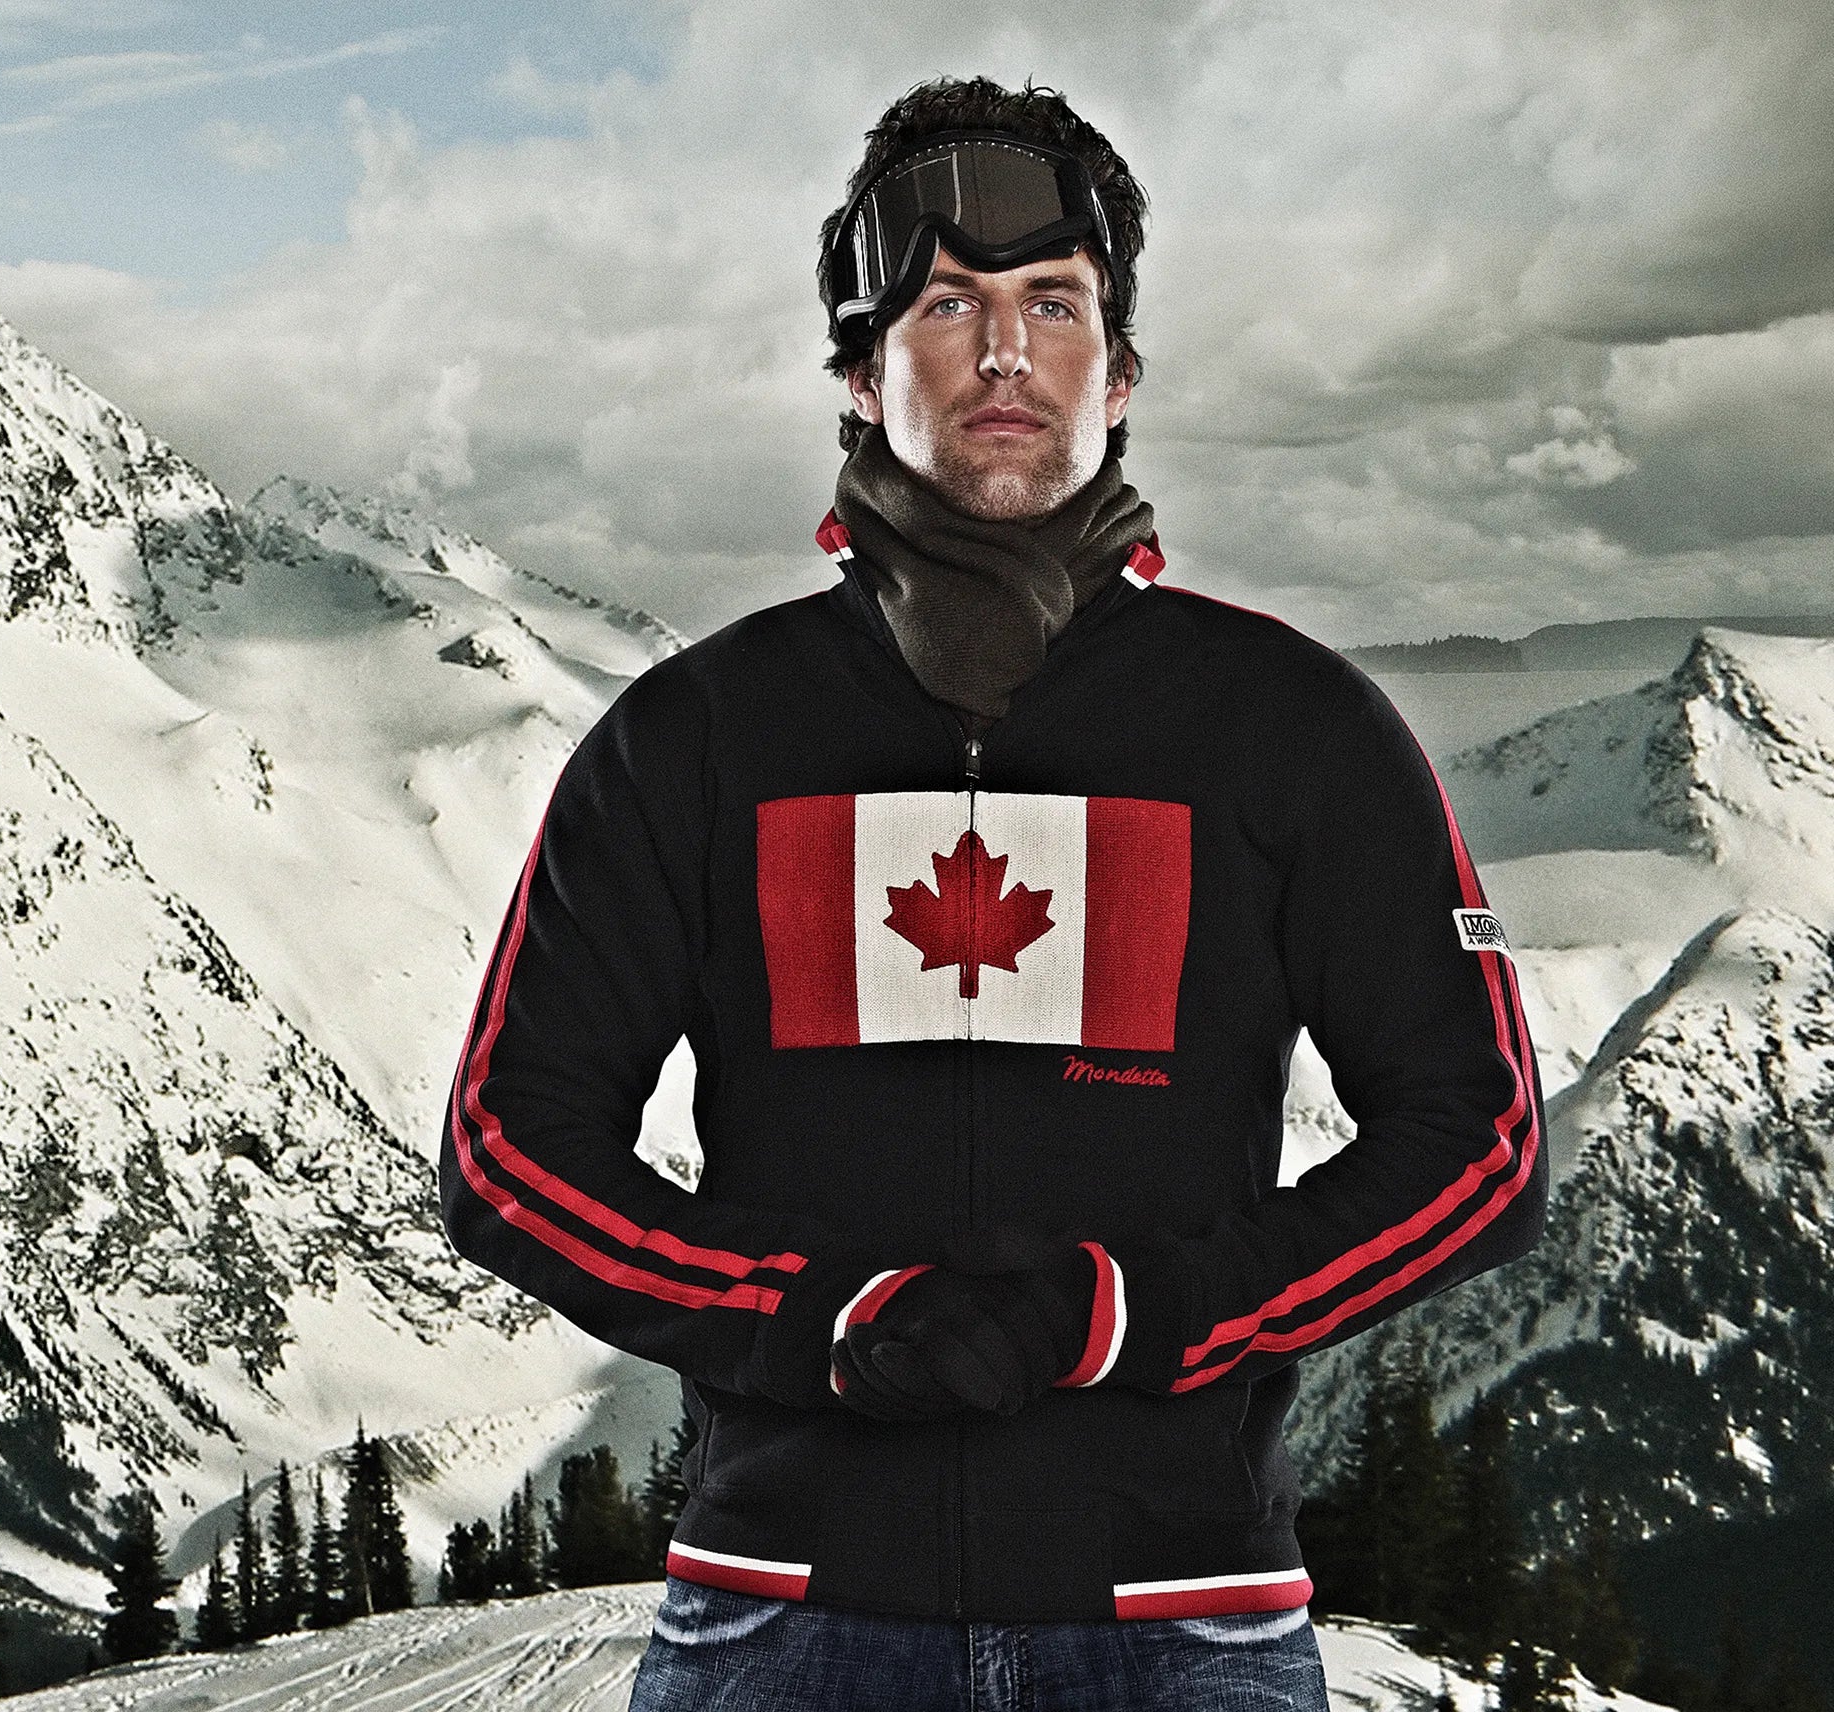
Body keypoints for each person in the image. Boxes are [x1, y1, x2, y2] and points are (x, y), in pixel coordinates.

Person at [439, 77, 1545, 1711]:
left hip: (1186, 1620)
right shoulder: (695, 740)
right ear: (859, 362)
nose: (1007, 353)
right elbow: (507, 1151)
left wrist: (1132, 1313)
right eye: (946, 306)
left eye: (1054, 304)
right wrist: (826, 1313)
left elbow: (1485, 1145)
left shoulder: (1293, 730)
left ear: (1123, 365)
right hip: (783, 1614)